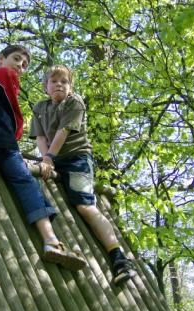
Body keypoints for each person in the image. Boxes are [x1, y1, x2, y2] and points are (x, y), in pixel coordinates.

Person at [0, 45, 86, 271]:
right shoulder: (1, 76)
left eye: (25, 64)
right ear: (1, 59)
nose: (20, 66)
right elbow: (16, 119)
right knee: (26, 181)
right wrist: (17, 133)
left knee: (18, 179)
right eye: (16, 59)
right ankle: (50, 241)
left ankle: (51, 238)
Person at [30, 64, 135, 285]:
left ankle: (119, 258)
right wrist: (45, 158)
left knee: (85, 205)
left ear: (70, 87)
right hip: (53, 158)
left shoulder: (74, 103)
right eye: (54, 81)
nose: (59, 85)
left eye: (64, 82)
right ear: (45, 86)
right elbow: (40, 137)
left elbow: (63, 132)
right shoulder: (40, 107)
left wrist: (49, 157)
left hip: (77, 158)